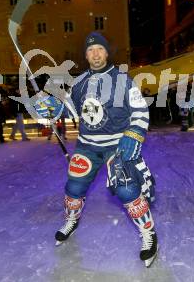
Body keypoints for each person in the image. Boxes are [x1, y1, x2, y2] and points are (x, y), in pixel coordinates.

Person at [34, 32, 158, 267]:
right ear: (86, 55)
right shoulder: (79, 82)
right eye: (91, 50)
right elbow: (70, 110)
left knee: (127, 190)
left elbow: (141, 111)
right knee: (74, 187)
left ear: (107, 52)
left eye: (99, 49)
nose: (95, 53)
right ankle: (71, 220)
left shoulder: (123, 80)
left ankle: (149, 234)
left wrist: (133, 134)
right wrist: (52, 108)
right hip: (87, 146)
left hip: (116, 146)